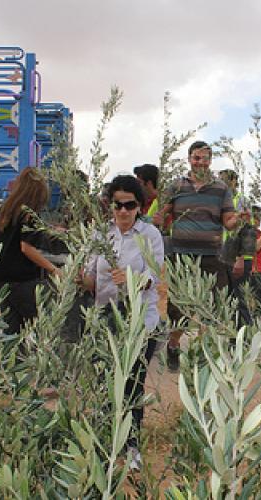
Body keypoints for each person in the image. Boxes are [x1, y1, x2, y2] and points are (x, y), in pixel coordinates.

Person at [82, 174, 164, 470]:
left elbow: (154, 276)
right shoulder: (101, 235)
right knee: (105, 380)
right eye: (118, 205)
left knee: (131, 384)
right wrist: (78, 278)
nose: (123, 211)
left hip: (139, 320)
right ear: (110, 206)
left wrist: (131, 281)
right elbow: (89, 276)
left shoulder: (149, 236)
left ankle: (131, 446)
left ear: (139, 207)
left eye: (129, 205)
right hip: (106, 316)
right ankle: (106, 441)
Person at [156, 141, 238, 371]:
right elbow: (161, 216)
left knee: (213, 305)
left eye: (204, 158)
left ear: (211, 161)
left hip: (212, 256)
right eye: (196, 158)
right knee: (179, 307)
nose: (200, 162)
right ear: (189, 159)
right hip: (181, 257)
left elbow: (229, 222)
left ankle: (204, 352)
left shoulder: (221, 189)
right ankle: (173, 345)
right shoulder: (176, 187)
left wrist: (239, 219)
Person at [0, 167, 59, 334]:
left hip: (0, 279)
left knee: (12, 332)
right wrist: (54, 270)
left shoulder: (6, 209)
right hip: (23, 280)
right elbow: (27, 248)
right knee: (38, 330)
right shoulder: (29, 214)